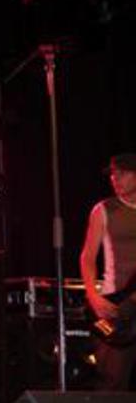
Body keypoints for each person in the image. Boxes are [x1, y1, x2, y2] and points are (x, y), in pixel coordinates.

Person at [80, 153, 136, 390]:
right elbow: (87, 257)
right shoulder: (103, 209)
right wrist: (93, 296)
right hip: (116, 306)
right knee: (112, 381)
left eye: (122, 173)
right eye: (113, 174)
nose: (115, 178)